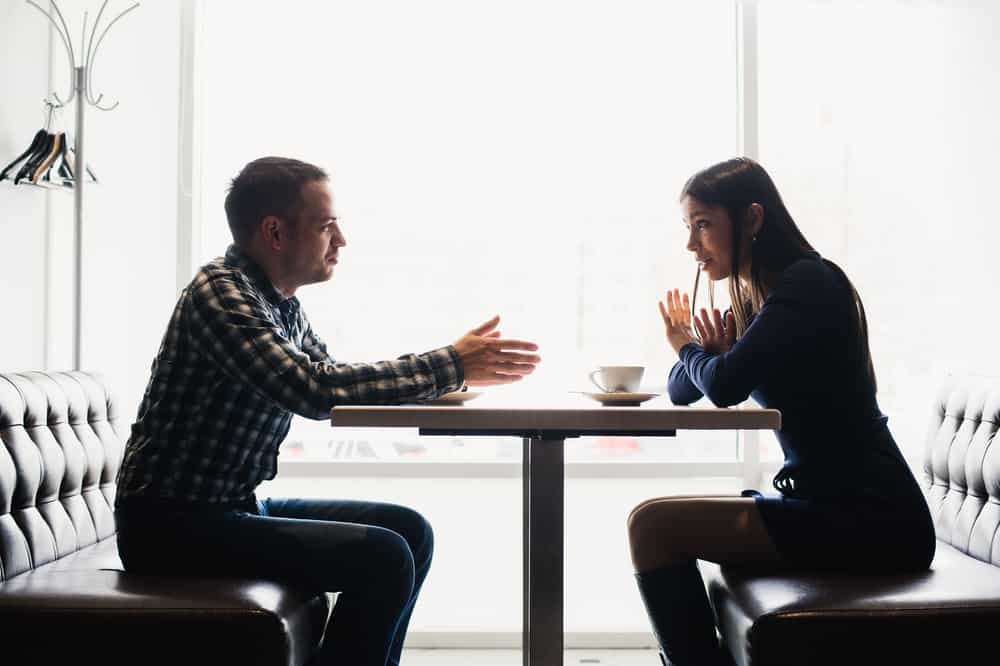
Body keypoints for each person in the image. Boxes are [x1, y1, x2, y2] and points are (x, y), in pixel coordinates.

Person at [114, 156, 542, 666]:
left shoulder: (278, 302)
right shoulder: (222, 295)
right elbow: (314, 389)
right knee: (383, 557)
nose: (341, 240)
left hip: (232, 507)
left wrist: (451, 377)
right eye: (326, 226)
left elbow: (335, 377)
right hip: (172, 526)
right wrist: (449, 364)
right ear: (275, 232)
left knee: (410, 531)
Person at [627, 157, 934, 666]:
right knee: (651, 523)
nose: (691, 245)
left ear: (751, 219)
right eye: (688, 227)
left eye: (702, 225)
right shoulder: (762, 298)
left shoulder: (807, 284)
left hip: (874, 516)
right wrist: (703, 353)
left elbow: (721, 386)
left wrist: (688, 346)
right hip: (832, 504)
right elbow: (686, 390)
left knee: (654, 527)